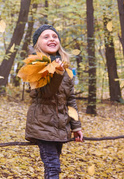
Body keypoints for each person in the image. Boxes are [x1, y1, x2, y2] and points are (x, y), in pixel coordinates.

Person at [25, 24, 83, 179]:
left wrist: (76, 126)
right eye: (46, 36)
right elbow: (46, 94)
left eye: (55, 36)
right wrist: (57, 72)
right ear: (38, 43)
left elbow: (70, 99)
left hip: (60, 126)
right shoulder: (35, 65)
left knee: (53, 167)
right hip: (42, 126)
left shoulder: (65, 68)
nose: (52, 39)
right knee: (53, 167)